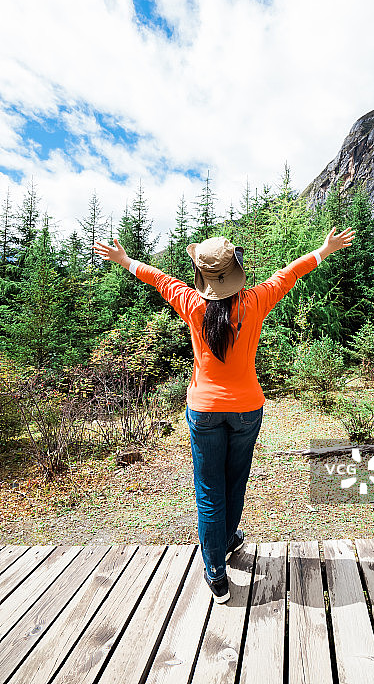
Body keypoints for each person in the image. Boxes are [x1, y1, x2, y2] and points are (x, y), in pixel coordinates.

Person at [93, 225, 354, 604]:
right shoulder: (256, 301)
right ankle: (228, 538)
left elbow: (157, 278)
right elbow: (291, 273)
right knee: (235, 481)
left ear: (201, 277)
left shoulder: (191, 303)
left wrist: (122, 259)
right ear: (236, 270)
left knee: (209, 491)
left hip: (204, 411)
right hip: (247, 409)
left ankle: (216, 572)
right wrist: (325, 249)